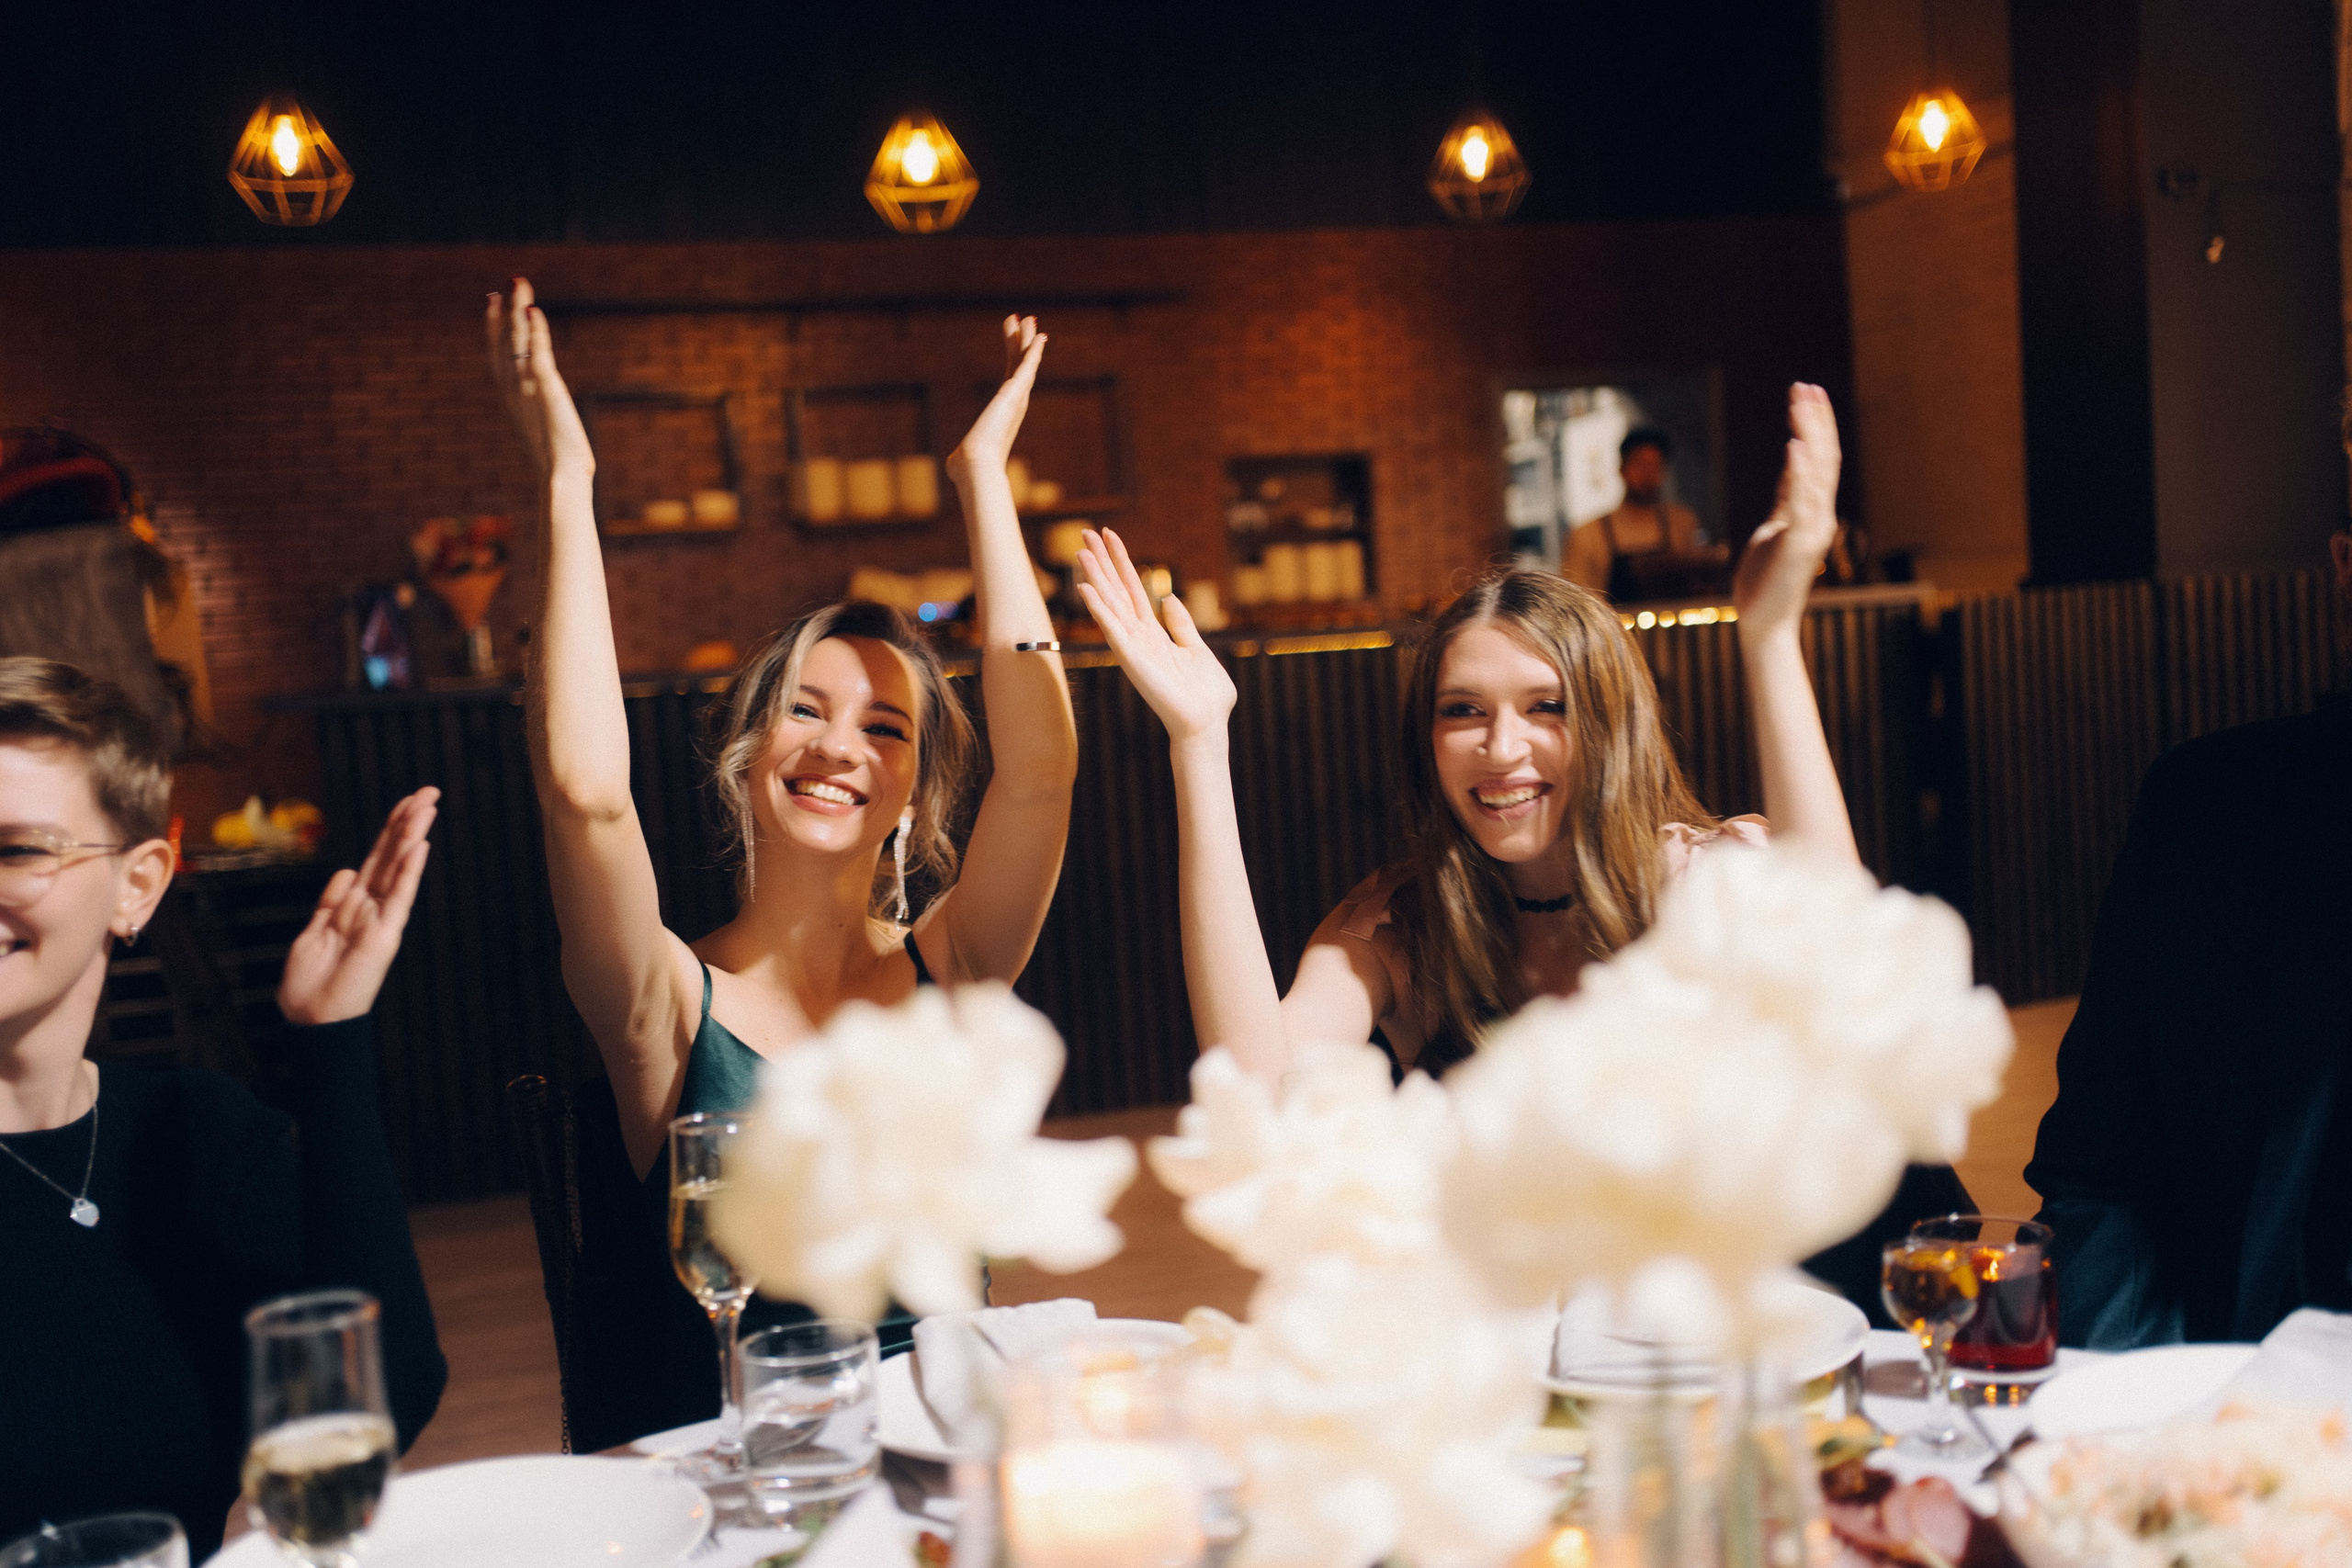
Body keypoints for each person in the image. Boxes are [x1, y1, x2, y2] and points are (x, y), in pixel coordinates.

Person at [1078, 385, 1969, 1314]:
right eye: (1463, 711)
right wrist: (1199, 745)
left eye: (1546, 708)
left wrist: (1771, 632)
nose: (1501, 750)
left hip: (1841, 1306)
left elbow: (1841, 941)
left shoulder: (1702, 874)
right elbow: (1255, 1100)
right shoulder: (1410, 924)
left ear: (1608, 725)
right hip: (1615, 1347)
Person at [487, 284, 1076, 1378]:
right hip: (761, 1489)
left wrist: (983, 482)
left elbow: (1042, 771)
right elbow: (584, 794)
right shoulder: (665, 1007)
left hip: (946, 1468)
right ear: (745, 753)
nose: (838, 746)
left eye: (885, 728)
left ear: (916, 794)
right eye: (804, 708)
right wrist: (566, 483)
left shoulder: (959, 973)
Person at [0, 658, 445, 1559]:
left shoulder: (197, 1133)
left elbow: (380, 1402)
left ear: (139, 885)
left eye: (17, 849)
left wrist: (333, 1040)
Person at [2024, 519, 2352, 1348]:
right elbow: (2103, 1183)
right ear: (2347, 567)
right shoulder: (2207, 815)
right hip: (2250, 1439)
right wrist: (2139, 1425)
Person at [1561, 425, 1727, 602]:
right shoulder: (1588, 533)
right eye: (1640, 464)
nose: (1648, 474)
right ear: (1622, 469)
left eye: (1655, 466)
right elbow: (1577, 601)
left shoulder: (1681, 522)